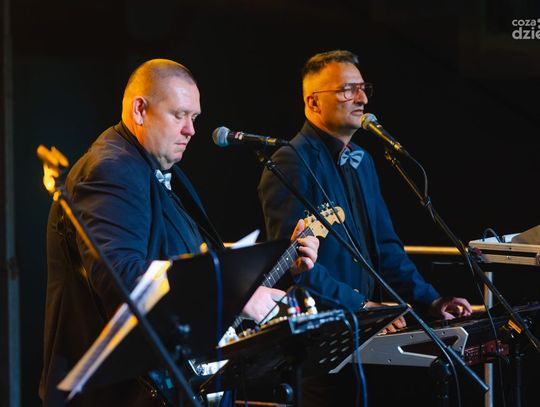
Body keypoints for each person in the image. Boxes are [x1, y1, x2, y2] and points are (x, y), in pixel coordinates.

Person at [39, 59, 319, 406]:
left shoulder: (152, 168)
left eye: (194, 118)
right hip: (122, 395)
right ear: (140, 110)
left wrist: (281, 264)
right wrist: (236, 298)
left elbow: (185, 263)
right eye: (179, 115)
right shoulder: (111, 170)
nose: (191, 130)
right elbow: (123, 280)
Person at [258, 50, 472, 405]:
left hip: (369, 337)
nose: (362, 99)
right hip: (322, 344)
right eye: (348, 89)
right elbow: (295, 265)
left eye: (363, 88)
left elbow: (385, 248)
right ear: (313, 102)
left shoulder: (362, 161)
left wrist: (432, 299)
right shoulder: (290, 162)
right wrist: (361, 306)